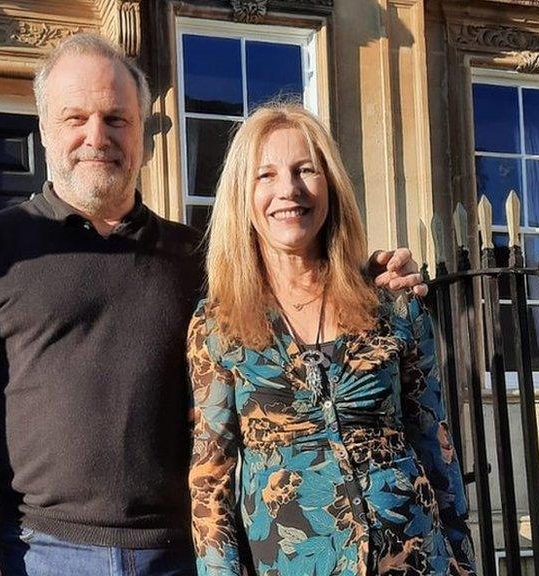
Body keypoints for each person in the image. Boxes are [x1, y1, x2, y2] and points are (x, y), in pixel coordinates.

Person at [0, 34, 429, 576]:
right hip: (44, 551)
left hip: (182, 552)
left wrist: (365, 279)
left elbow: (297, 276)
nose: (97, 136)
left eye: (117, 119)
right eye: (76, 118)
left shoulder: (198, 256)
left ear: (145, 133)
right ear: (45, 128)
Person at [187, 104, 475, 575]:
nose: (289, 190)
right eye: (266, 175)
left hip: (415, 558)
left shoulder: (394, 306)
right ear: (243, 196)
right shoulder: (218, 325)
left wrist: (463, 562)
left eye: (306, 170)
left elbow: (435, 445)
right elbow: (210, 480)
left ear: (331, 185)